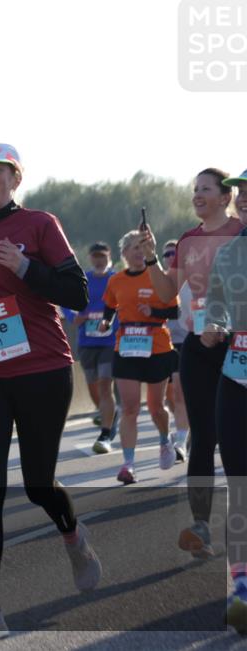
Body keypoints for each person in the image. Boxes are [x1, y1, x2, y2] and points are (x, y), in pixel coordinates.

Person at [0, 143, 101, 645]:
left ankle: (73, 534)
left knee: (36, 484)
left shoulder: (40, 225)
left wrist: (27, 267)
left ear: (14, 178)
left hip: (42, 369)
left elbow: (77, 294)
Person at [139, 168, 242, 559]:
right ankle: (201, 525)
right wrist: (151, 257)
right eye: (194, 189)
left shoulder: (239, 233)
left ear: (225, 197)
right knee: (202, 435)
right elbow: (168, 294)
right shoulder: (187, 240)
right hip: (200, 345)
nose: (197, 195)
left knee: (236, 442)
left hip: (238, 344)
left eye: (205, 189)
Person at [203, 168, 247, 636]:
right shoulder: (232, 253)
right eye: (244, 192)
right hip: (237, 375)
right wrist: (214, 324)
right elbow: (216, 302)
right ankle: (240, 585)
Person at [99, 231, 180, 484]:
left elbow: (174, 310)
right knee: (130, 407)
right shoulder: (116, 280)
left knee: (156, 408)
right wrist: (105, 321)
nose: (137, 252)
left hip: (156, 346)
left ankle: (166, 440)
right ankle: (128, 464)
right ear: (123, 253)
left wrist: (153, 310)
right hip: (127, 346)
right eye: (133, 247)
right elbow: (110, 306)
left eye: (141, 247)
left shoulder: (156, 275)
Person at [61, 242, 119, 453]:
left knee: (105, 384)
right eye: (95, 256)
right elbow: (65, 301)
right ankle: (108, 414)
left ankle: (106, 432)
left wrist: (115, 321)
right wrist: (73, 317)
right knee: (94, 387)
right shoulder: (84, 278)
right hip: (87, 341)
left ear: (109, 256)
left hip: (109, 341)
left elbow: (126, 301)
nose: (98, 260)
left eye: (102, 256)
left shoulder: (116, 279)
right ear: (90, 258)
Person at [161, 239, 192, 462]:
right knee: (169, 397)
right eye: (166, 254)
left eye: (174, 253)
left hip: (185, 343)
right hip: (161, 344)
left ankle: (181, 441)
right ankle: (184, 426)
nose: (170, 257)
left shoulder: (192, 279)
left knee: (180, 394)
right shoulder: (158, 280)